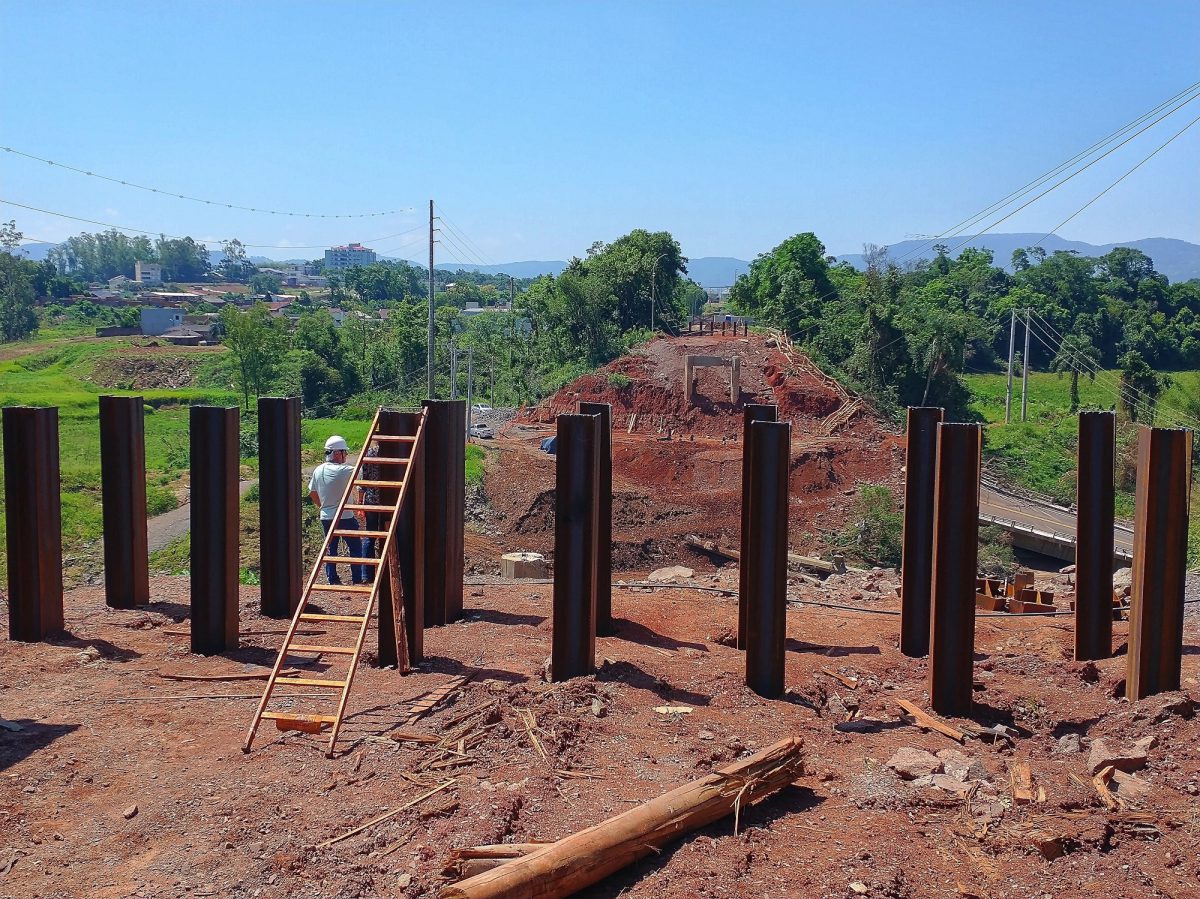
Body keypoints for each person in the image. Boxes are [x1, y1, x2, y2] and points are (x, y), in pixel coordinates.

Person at [308, 434, 367, 586]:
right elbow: (363, 471)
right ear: (337, 453)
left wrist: (322, 506)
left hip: (326, 516)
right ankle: (357, 579)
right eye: (345, 452)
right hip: (345, 516)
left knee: (330, 549)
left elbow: (312, 493)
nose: (346, 455)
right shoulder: (345, 470)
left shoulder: (318, 470)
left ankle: (332, 579)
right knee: (355, 547)